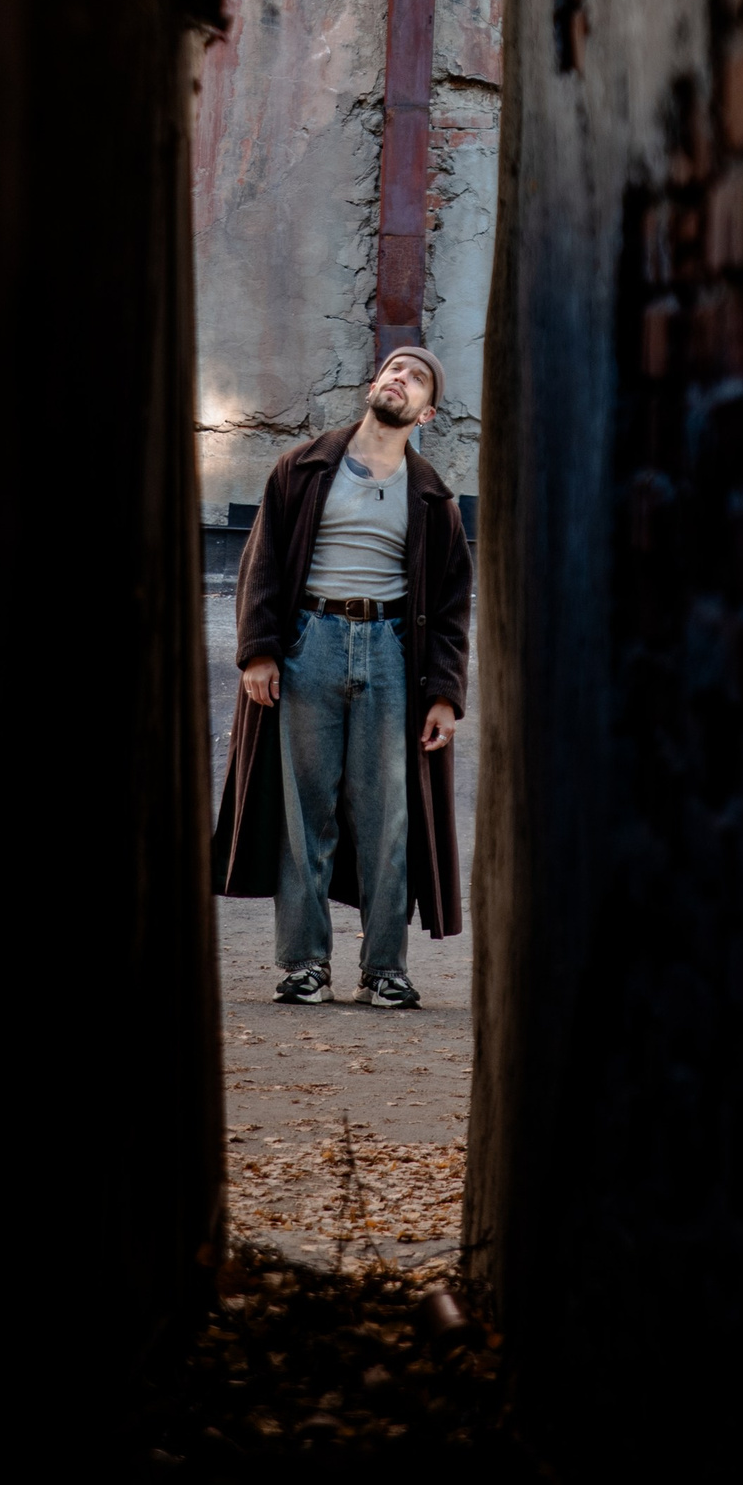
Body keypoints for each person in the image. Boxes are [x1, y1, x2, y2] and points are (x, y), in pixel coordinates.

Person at [211, 344, 474, 1006]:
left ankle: (384, 969)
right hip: (311, 643)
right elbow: (263, 561)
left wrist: (445, 694)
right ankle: (304, 964)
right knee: (305, 814)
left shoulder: (434, 498)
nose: (400, 378)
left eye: (417, 377)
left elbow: (450, 608)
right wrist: (259, 651)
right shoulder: (302, 468)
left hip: (390, 651)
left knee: (388, 817)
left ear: (427, 412)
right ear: (372, 386)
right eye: (393, 370)